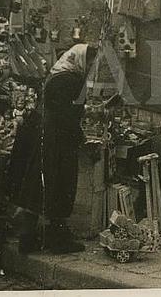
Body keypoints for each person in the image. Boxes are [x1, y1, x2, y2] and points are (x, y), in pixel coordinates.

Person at [13, 43, 97, 254]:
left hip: (46, 138)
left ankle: (27, 238)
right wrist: (82, 135)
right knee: (61, 186)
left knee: (39, 188)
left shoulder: (57, 76)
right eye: (89, 61)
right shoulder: (73, 80)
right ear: (80, 59)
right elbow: (68, 114)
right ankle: (56, 240)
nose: (91, 66)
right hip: (60, 141)